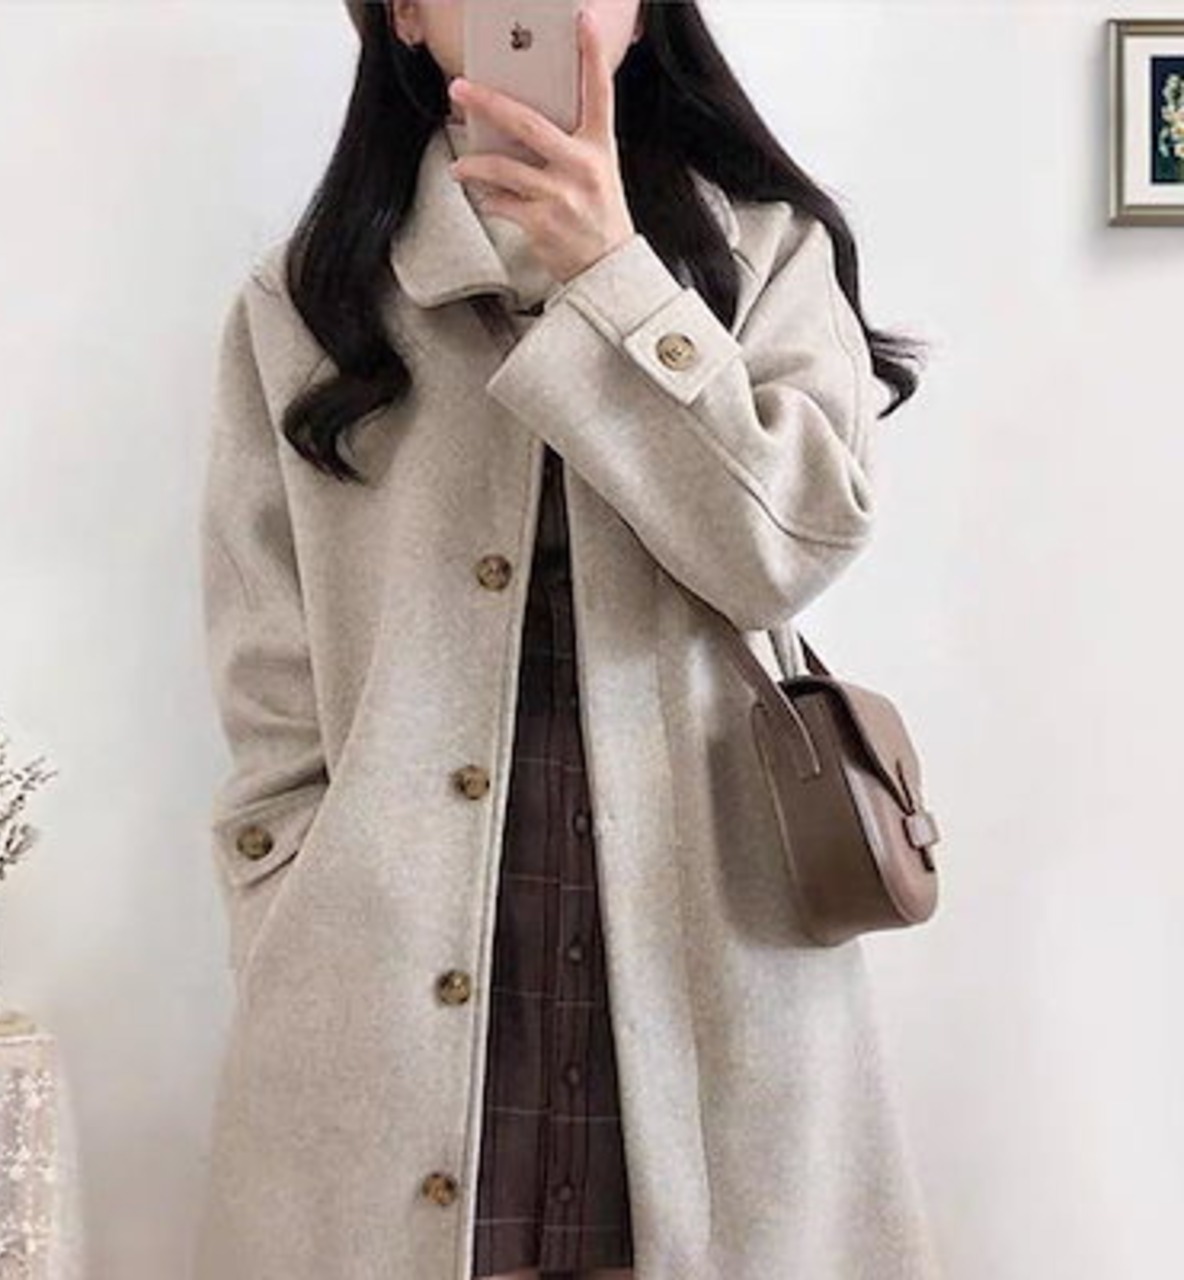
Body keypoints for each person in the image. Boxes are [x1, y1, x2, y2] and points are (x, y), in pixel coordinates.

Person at [193, 3, 939, 1279]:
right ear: (405, 14)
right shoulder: (308, 302)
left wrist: (615, 279)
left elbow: (786, 550)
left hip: (707, 936)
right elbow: (269, 674)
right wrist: (289, 894)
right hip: (392, 950)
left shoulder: (766, 252)